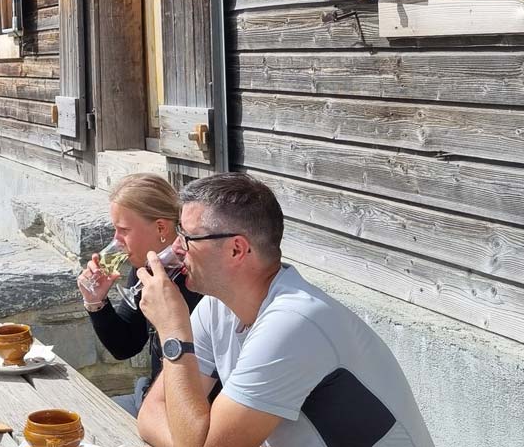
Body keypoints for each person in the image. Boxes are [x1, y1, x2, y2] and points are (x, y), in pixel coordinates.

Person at [135, 174, 433, 447]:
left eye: (187, 237)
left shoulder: (294, 323)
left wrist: (173, 332)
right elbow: (151, 412)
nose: (176, 248)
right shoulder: (217, 307)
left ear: (237, 249)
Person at [77, 174, 202, 416]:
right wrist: (96, 302)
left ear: (161, 227)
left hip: (180, 412)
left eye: (123, 230)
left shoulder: (198, 281)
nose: (116, 240)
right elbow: (126, 345)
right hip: (149, 399)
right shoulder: (144, 269)